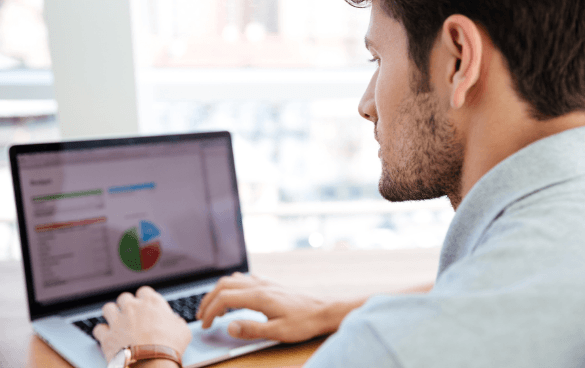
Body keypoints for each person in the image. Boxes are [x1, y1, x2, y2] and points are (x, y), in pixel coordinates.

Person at [93, 0, 585, 366]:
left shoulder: (389, 350)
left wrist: (148, 352)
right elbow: (512, 291)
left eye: (377, 59)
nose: (366, 103)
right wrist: (333, 310)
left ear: (458, 59)